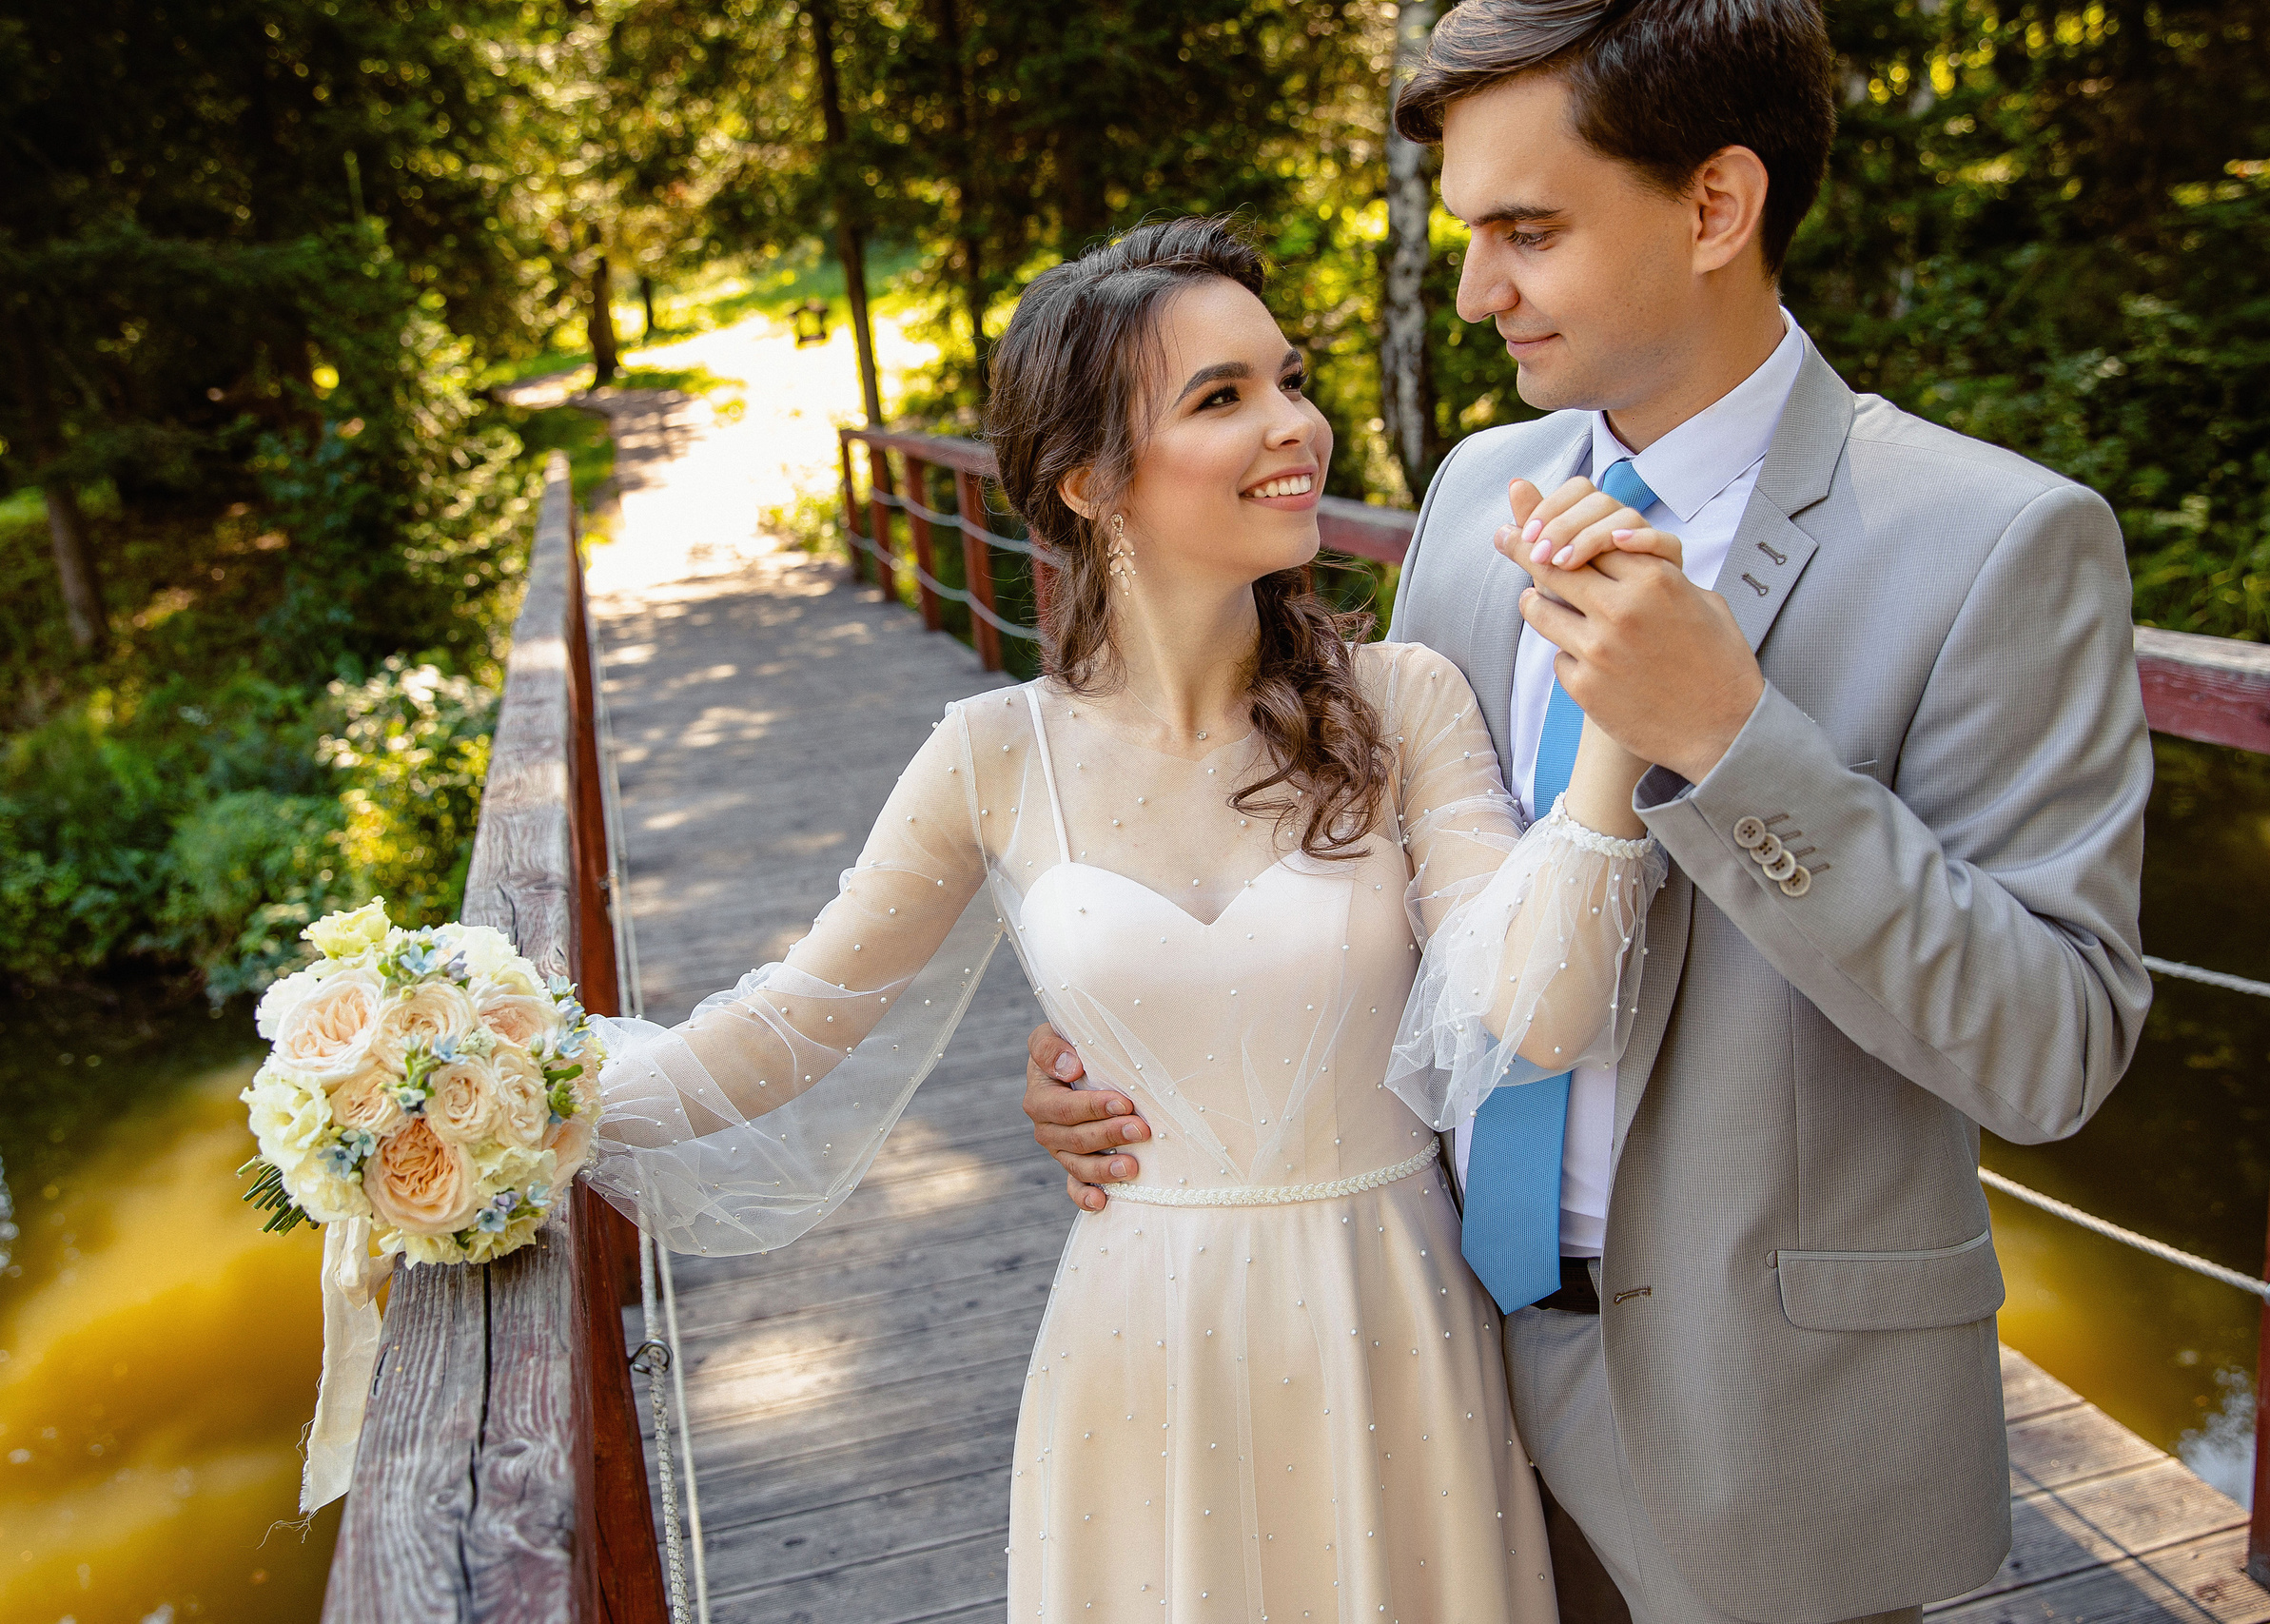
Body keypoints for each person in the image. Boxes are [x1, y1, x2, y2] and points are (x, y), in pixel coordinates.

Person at [1020, 5, 2155, 1623]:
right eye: (1472, 234)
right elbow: (1387, 882)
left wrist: (1738, 739)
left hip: (1774, 1440)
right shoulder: (1479, 492)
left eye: (1526, 232)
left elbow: (2054, 1047)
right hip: (1422, 1381)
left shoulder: (2002, 542)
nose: (1478, 289)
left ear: (1714, 207)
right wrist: (1130, 1031)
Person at [586, 215, 1677, 1621]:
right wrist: (511, 1096)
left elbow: (1538, 1012)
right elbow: (794, 1023)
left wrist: (1612, 745)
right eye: (1223, 399)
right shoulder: (994, 754)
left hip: (1390, 1326)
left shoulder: (1402, 704)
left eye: (1290, 378)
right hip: (1141, 1339)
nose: (1297, 425)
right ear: (1095, 479)